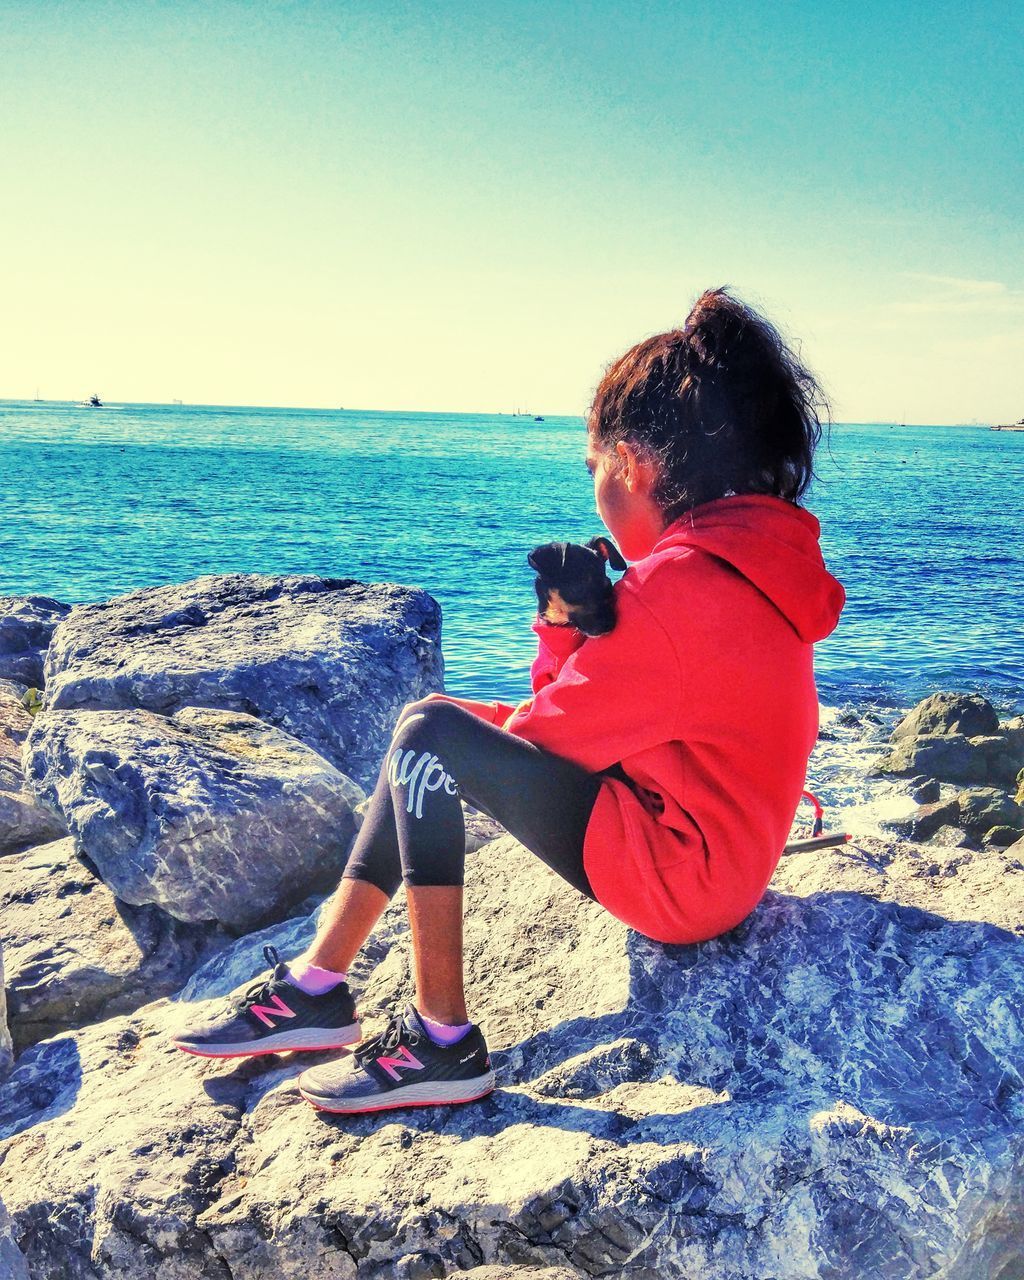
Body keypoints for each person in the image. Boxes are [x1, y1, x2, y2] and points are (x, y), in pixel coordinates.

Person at [173, 287, 846, 1114]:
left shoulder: (679, 586)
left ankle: (440, 1041)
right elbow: (586, 727)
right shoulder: (753, 560)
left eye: (594, 469)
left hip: (683, 882)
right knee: (433, 728)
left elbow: (546, 736)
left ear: (630, 467)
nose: (596, 488)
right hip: (716, 847)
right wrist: (588, 627)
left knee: (430, 735)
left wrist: (560, 628)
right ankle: (318, 981)